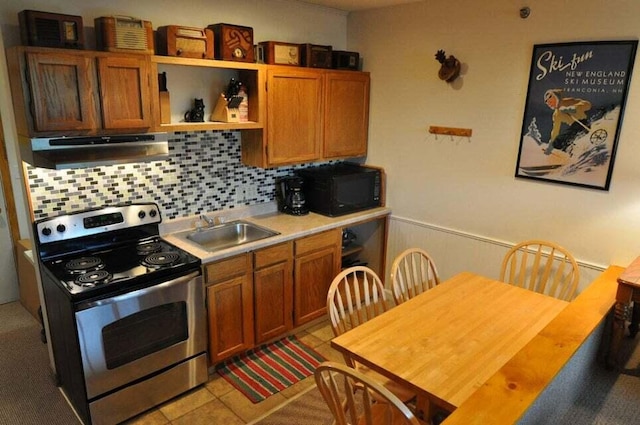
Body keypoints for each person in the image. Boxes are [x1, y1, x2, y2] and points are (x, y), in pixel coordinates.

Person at [543, 88, 591, 154]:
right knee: (557, 141)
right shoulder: (556, 114)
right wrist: (550, 146)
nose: (550, 105)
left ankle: (570, 147)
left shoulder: (567, 102)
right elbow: (555, 130)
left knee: (569, 132)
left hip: (582, 123)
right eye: (548, 104)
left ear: (556, 98)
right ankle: (567, 151)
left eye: (551, 102)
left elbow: (587, 104)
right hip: (574, 127)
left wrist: (573, 108)